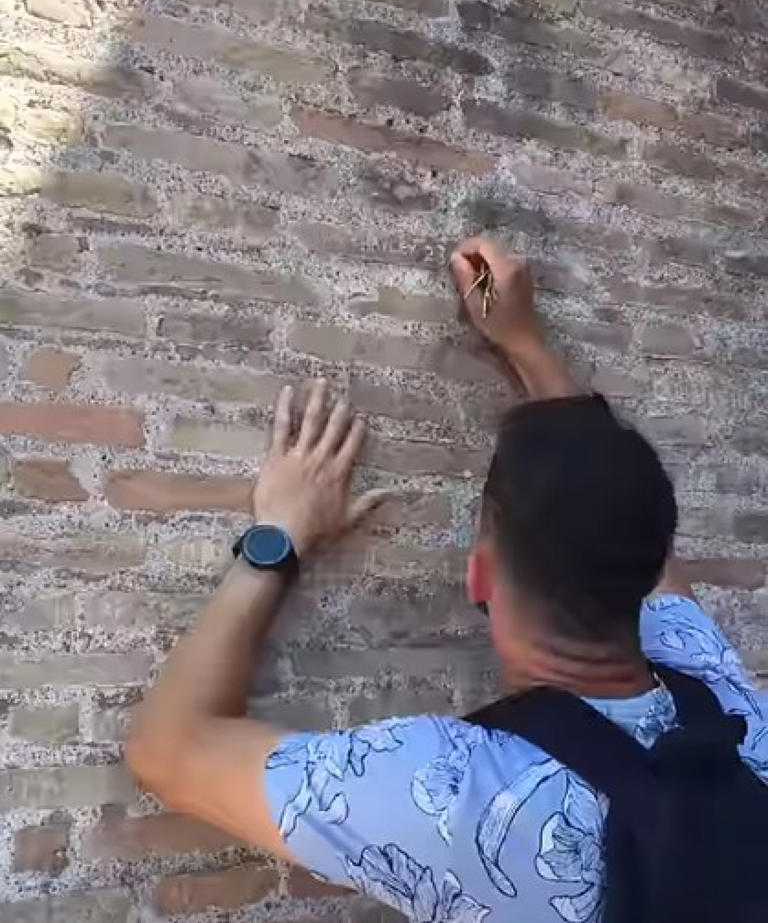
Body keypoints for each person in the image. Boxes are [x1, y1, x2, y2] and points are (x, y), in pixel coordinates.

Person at [127, 238, 768, 922]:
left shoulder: (451, 793)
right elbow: (622, 510)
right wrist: (527, 345)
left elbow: (169, 748)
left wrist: (276, 539)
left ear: (480, 575)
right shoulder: (732, 712)